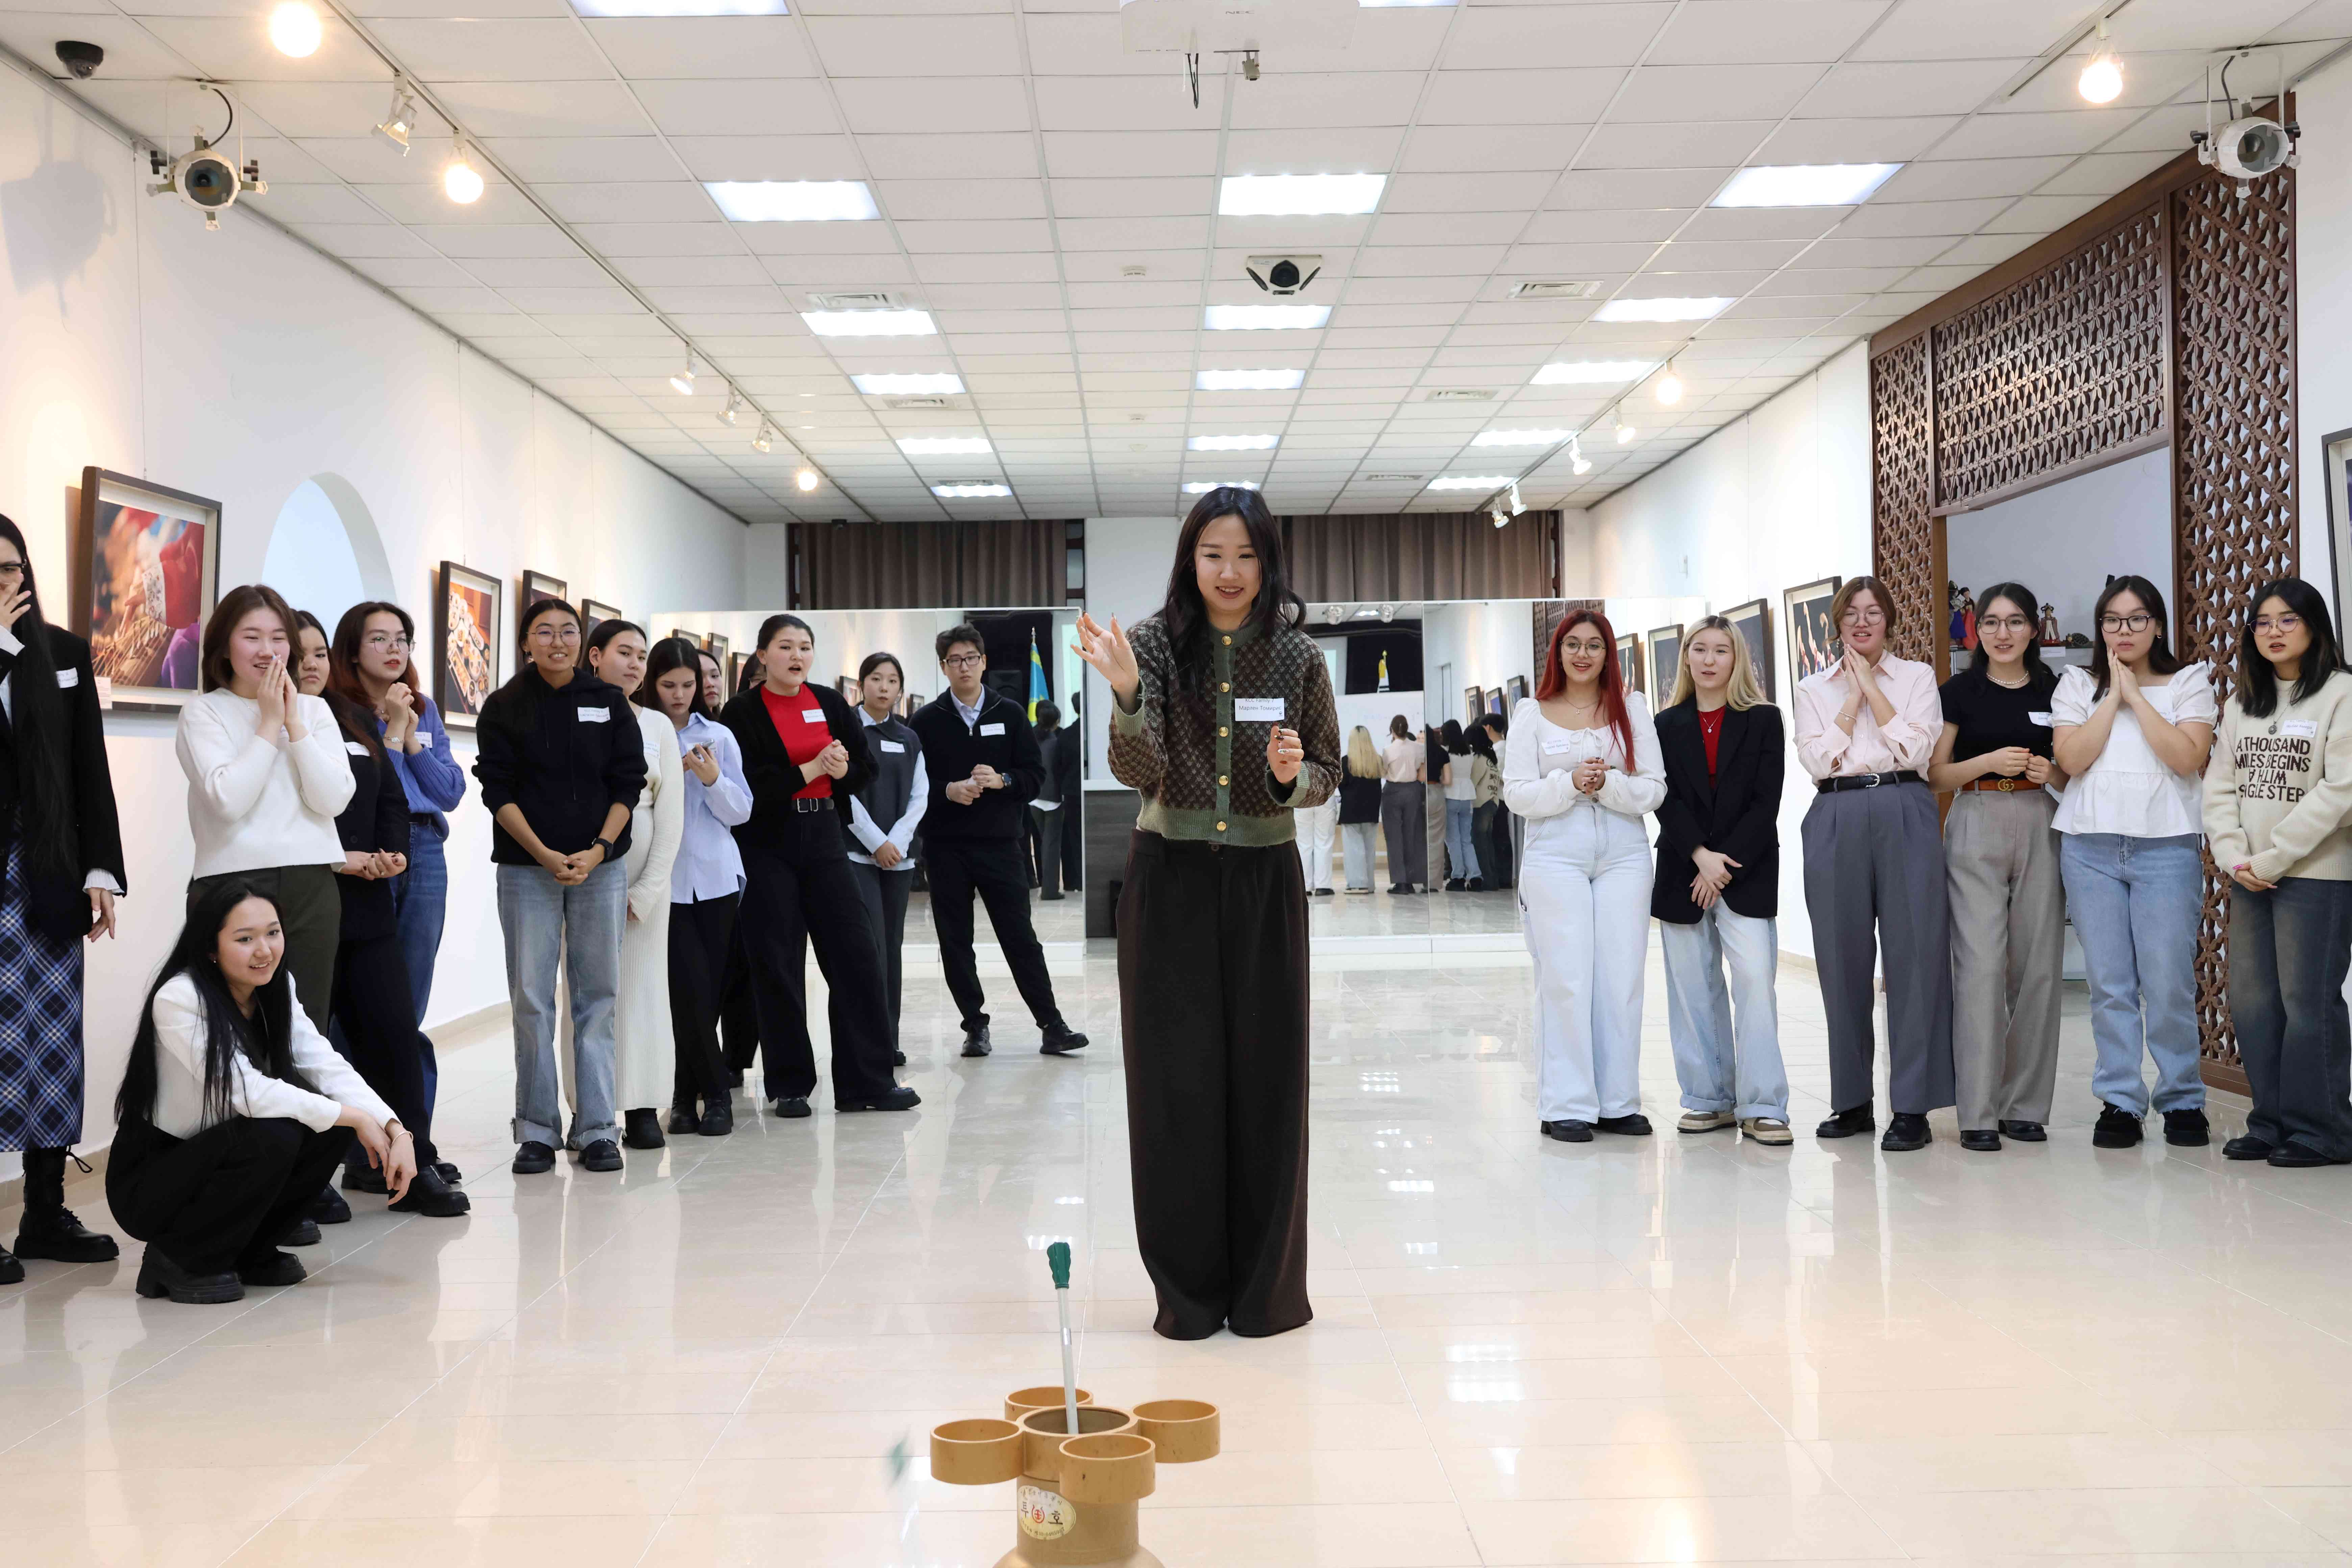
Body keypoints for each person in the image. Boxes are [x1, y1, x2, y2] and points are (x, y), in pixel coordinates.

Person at [1077, 485, 1340, 1340]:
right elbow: (1140, 767)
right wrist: (1124, 695)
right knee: (1173, 1087)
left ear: (1268, 562)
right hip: (1171, 878)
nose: (1229, 572)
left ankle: (1267, 1292)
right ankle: (1185, 1295)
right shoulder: (1150, 644)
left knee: (1270, 1083)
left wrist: (1288, 774)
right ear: (1189, 560)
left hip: (1266, 878)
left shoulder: (1297, 656)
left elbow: (1327, 769)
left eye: (1246, 555)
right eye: (1212, 554)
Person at [106, 882, 413, 1304]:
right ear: (211, 946)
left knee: (331, 1126)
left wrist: (394, 1128)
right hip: (154, 1175)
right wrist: (355, 1116)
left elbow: (324, 1063)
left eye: (273, 932)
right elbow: (246, 1092)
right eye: (245, 939)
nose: (265, 950)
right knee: (284, 1129)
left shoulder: (275, 986)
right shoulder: (179, 997)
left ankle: (250, 1249)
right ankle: (180, 1257)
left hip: (217, 1150)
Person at [291, 613, 467, 1218]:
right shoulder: (278, 727)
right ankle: (310, 1175)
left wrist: (389, 853)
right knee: (312, 1041)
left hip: (370, 896)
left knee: (395, 1028)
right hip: (304, 901)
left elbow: (391, 794)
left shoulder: (357, 720)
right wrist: (342, 858)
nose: (310, 665)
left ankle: (409, 1161)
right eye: (299, 654)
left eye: (316, 654)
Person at [473, 598, 647, 1175]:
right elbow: (497, 791)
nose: (558, 641)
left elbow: (628, 782)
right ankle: (537, 1131)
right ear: (525, 643)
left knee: (598, 996)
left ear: (583, 642)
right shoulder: (503, 706)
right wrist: (544, 854)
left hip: (601, 867)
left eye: (569, 632)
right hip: (528, 870)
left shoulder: (608, 700)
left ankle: (598, 1127)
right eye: (544, 632)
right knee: (531, 997)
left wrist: (599, 850)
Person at [719, 614, 916, 1117]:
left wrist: (843, 770)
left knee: (856, 954)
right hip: (768, 844)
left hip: (826, 837)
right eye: (785, 647)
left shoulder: (829, 703)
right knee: (778, 962)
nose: (797, 656)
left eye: (805, 647)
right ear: (762, 656)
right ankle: (789, 1085)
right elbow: (749, 792)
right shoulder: (740, 713)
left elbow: (864, 771)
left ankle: (867, 1083)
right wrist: (808, 770)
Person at [0, 515, 126, 1283]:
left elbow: (90, 775)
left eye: (11, 567)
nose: (3, 582)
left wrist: (101, 872)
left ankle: (44, 1208)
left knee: (49, 1043)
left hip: (46, 878)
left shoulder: (67, 655)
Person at [2051, 574, 2217, 1150]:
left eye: (2137, 619)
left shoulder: (2190, 681)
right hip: (2090, 848)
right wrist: (2112, 697)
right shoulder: (2076, 682)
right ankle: (2120, 1099)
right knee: (2111, 986)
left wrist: (2137, 698)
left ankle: (2182, 1098)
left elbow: (2187, 758)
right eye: (2113, 620)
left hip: (2166, 848)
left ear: (2159, 625)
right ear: (2101, 627)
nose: (2124, 630)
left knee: (2168, 982)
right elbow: (2071, 759)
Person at [1793, 575, 1955, 1152]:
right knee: (1842, 961)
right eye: (1852, 614)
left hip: (1905, 806)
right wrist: (1853, 696)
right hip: (1836, 812)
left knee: (1915, 959)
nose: (1863, 623)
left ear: (1890, 622)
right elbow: (1817, 759)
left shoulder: (1916, 680)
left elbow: (1916, 752)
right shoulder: (1813, 689)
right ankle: (1852, 1101)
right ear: (1837, 624)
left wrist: (1873, 687)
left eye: (1874, 614)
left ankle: (1912, 1107)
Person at [2203, 577, 2352, 1167]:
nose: (2273, 632)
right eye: (2262, 622)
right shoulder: (2243, 702)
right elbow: (2220, 787)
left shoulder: (2341, 694)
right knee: (2254, 1002)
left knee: (2307, 1002)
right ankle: (2270, 1121)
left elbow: (2341, 790)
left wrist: (2274, 856)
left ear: (2313, 626)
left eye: (2287, 620)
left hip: (2316, 875)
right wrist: (2234, 856)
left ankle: (2323, 1130)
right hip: (2251, 876)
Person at [1506, 609, 1665, 1143]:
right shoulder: (1532, 713)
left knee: (1621, 979)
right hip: (1556, 856)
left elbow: (1655, 787)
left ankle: (1619, 1101)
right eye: (1573, 645)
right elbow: (1517, 794)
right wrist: (1571, 783)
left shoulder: (1631, 709)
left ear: (1607, 654)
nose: (1582, 654)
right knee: (1567, 979)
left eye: (1594, 646)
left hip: (1624, 854)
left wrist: (1609, 787)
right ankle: (1567, 1104)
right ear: (1558, 652)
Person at [1927, 581, 2068, 1153]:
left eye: (2014, 622)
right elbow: (1936, 774)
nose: (2002, 633)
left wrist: (2049, 773)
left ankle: (2026, 1106)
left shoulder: (2058, 689)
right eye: (1991, 622)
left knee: (2037, 967)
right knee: (1981, 967)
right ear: (1975, 630)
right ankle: (1978, 1111)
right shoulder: (1957, 691)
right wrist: (1985, 760)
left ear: (2034, 629)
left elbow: (2074, 769)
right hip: (1976, 816)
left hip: (2041, 818)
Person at [176, 585, 354, 1034]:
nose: (267, 651)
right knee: (234, 1028)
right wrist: (270, 722)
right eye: (251, 637)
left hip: (312, 884)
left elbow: (333, 799)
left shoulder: (314, 712)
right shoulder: (203, 712)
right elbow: (228, 800)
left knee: (307, 1026)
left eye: (278, 638)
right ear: (224, 644)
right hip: (231, 882)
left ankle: (303, 1108)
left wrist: (293, 722)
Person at [909, 625, 1088, 1059]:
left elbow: (1033, 776)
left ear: (984, 662)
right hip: (946, 847)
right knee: (955, 940)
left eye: (972, 657)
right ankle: (974, 1025)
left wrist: (1004, 780)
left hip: (1001, 845)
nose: (965, 666)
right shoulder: (927, 721)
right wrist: (947, 791)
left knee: (1020, 937)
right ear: (944, 667)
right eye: (955, 659)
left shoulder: (1009, 713)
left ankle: (1052, 1024)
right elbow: (912, 788)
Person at [1652, 617, 1789, 1146]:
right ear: (1686, 658)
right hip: (1682, 870)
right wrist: (1699, 855)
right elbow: (1665, 798)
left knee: (1755, 982)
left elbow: (1766, 802)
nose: (1710, 661)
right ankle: (1708, 1099)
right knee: (1693, 990)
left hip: (1745, 871)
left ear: (1737, 661)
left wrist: (1721, 863)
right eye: (1700, 650)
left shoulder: (1764, 720)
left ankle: (1763, 1105)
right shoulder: (1665, 725)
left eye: (1722, 651)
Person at [580, 620, 684, 1151]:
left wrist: (645, 892)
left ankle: (644, 1107)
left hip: (645, 886)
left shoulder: (659, 728)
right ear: (594, 656)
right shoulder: (573, 715)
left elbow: (670, 820)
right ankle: (591, 1111)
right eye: (625, 652)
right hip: (583, 881)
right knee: (589, 996)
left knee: (644, 994)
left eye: (642, 655)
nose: (636, 664)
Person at [644, 637, 750, 1135]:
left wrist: (712, 781)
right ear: (653, 684)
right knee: (685, 992)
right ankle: (716, 1096)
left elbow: (741, 812)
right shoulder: (640, 731)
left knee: (705, 996)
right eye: (669, 685)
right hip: (660, 879)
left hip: (715, 878)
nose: (681, 694)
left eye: (690, 685)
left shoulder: (720, 737)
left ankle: (685, 1099)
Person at [845, 652, 926, 1066]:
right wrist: (876, 841)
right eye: (876, 679)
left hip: (899, 860)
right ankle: (869, 1039)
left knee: (891, 947)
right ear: (862, 685)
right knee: (870, 947)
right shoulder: (847, 731)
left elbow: (919, 795)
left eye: (892, 680)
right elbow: (844, 794)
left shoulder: (909, 737)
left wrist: (897, 840)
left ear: (900, 688)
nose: (884, 687)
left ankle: (889, 1039)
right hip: (858, 856)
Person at [1030, 699, 1083, 900]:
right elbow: (1059, 772)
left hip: (1034, 800)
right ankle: (1050, 891)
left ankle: (1047, 886)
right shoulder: (1056, 743)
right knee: (1052, 846)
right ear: (1057, 721)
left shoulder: (1032, 740)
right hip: (1053, 801)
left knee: (1045, 844)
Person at [1379, 715, 1428, 894]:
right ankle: (1412, 879)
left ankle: (1400, 882)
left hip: (1393, 791)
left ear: (1392, 731)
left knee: (1394, 837)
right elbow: (1421, 771)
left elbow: (1383, 773)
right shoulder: (1419, 748)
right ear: (1407, 730)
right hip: (1413, 791)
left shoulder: (1388, 750)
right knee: (1413, 835)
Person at [1293, 718, 1340, 897]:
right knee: (1324, 841)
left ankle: (1305, 886)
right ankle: (1324, 885)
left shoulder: (1297, 742)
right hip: (1325, 794)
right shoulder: (1325, 742)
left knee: (1304, 842)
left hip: (1303, 790)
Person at [1337, 725, 1383, 895]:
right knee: (1369, 849)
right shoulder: (1377, 761)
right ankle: (1369, 884)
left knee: (1353, 850)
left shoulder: (1346, 762)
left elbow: (1341, 787)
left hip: (1351, 812)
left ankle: (1357, 884)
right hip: (1371, 811)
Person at [1440, 719, 1483, 891]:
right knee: (1467, 840)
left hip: (1450, 796)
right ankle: (1475, 877)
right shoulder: (1470, 753)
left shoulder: (1445, 752)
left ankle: (1458, 877)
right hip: (1467, 798)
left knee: (1453, 840)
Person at [1465, 718, 1503, 894]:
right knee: (1488, 843)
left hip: (1482, 805)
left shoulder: (1479, 759)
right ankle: (1493, 880)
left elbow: (1472, 782)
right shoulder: (1492, 758)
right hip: (1493, 803)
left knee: (1480, 843)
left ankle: (1486, 881)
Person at [1479, 711, 1516, 890]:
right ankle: (1504, 878)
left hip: (1499, 799)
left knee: (1499, 839)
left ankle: (1503, 878)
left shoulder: (1499, 749)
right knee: (1501, 839)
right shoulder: (1505, 746)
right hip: (1501, 799)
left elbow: (1500, 775)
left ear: (1488, 728)